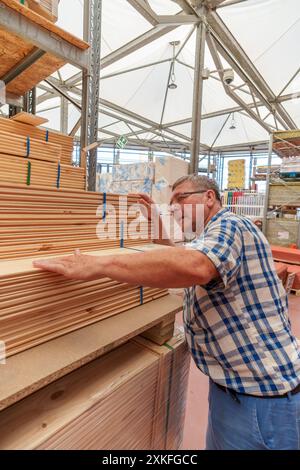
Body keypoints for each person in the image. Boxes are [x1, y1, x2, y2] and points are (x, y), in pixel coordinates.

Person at [33, 175, 300, 450]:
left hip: (260, 396)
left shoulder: (231, 224)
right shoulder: (209, 236)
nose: (175, 208)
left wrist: (98, 265)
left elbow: (194, 267)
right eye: (171, 204)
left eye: (181, 199)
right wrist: (157, 223)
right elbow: (175, 258)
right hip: (237, 389)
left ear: (209, 197)